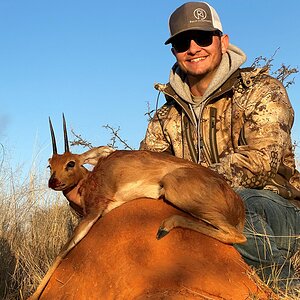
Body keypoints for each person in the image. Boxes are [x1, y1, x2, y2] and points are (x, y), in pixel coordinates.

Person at [140, 1, 300, 291]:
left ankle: (285, 288)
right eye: (181, 42)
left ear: (222, 42)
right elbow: (146, 168)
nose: (193, 48)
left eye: (202, 37)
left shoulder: (262, 90)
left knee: (241, 207)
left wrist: (186, 188)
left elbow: (260, 163)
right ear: (174, 51)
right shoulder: (164, 117)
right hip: (192, 209)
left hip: (274, 208)